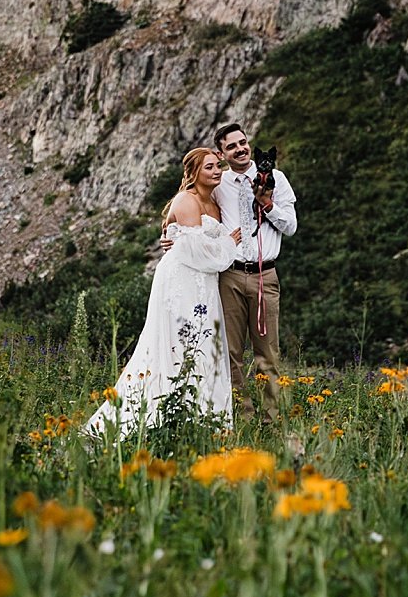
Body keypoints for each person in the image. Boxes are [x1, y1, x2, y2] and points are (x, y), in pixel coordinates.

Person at [83, 148, 242, 440]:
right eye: (209, 167)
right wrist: (229, 245)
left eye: (218, 166)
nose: (217, 171)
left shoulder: (215, 201)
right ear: (194, 173)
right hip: (182, 279)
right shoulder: (186, 200)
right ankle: (155, 418)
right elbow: (198, 251)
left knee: (205, 346)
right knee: (176, 345)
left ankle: (202, 421)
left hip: (205, 282)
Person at [213, 122, 296, 424]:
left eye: (243, 142)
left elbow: (291, 226)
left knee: (267, 354)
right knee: (231, 354)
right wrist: (169, 234)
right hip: (230, 276)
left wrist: (268, 204)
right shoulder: (217, 183)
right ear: (221, 154)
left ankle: (270, 421)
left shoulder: (278, 179)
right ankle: (242, 419)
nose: (241, 149)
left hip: (265, 275)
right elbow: (189, 206)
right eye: (232, 146)